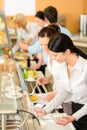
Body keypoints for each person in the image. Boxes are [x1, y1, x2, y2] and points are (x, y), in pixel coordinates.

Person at [35, 33, 87, 130]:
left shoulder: (85, 68)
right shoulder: (64, 66)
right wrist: (45, 110)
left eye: (55, 55)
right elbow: (63, 92)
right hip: (75, 110)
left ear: (67, 51)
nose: (53, 59)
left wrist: (74, 116)